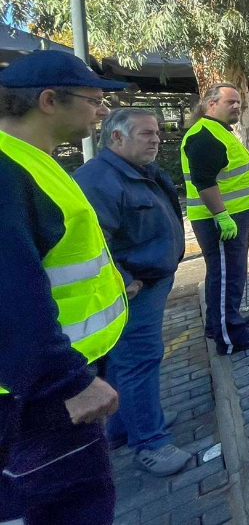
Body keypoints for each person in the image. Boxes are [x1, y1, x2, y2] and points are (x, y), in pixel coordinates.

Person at [0, 50, 130, 525]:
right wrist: (69, 382)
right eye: (94, 100)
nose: (101, 111)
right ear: (49, 101)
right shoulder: (8, 172)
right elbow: (10, 295)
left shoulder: (31, 162)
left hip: (44, 383)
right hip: (38, 396)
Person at [74, 108, 190, 477]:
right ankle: (150, 442)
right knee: (138, 361)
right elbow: (91, 241)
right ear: (117, 137)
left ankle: (125, 425)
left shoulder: (139, 170)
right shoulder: (98, 180)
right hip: (133, 289)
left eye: (157, 132)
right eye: (146, 134)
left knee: (127, 362)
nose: (156, 139)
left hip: (149, 282)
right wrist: (123, 277)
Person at [181, 83, 249, 356]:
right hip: (222, 220)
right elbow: (204, 181)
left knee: (224, 273)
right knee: (227, 276)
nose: (237, 107)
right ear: (210, 104)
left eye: (238, 102)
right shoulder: (205, 135)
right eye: (230, 102)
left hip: (232, 216)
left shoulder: (217, 131)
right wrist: (222, 216)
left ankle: (220, 323)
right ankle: (231, 335)